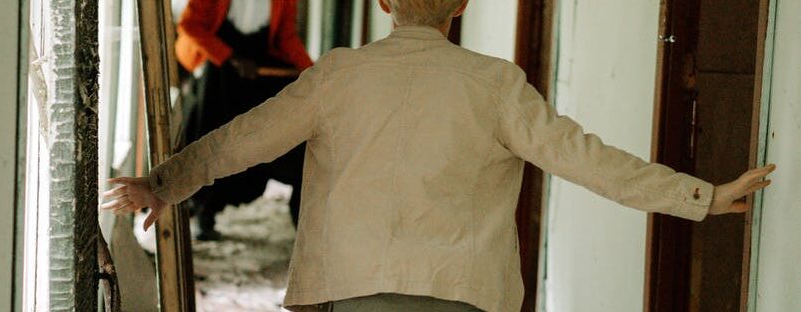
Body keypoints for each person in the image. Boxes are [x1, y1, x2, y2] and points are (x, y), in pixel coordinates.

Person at [103, 0, 777, 311]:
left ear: (382, 5)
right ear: (459, 6)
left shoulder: (337, 76)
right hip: (462, 296)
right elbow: (587, 159)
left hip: (348, 289)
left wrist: (163, 184)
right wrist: (702, 196)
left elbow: (240, 139)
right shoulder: (494, 86)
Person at [175, 0, 313, 240]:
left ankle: (294, 195)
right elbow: (189, 26)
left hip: (257, 58)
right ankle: (203, 210)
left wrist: (312, 72)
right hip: (216, 58)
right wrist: (231, 57)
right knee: (212, 126)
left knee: (277, 120)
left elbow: (286, 36)